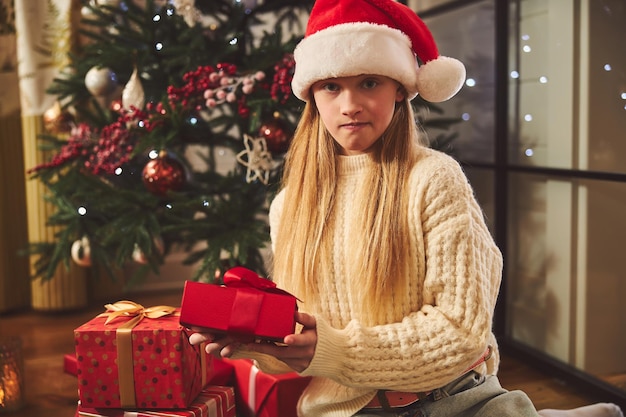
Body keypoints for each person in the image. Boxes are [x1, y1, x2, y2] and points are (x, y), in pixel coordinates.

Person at [189, 0, 624, 416]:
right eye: (331, 86)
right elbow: (303, 343)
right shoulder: (291, 205)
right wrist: (258, 344)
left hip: (450, 402)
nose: (350, 105)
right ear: (312, 96)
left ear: (400, 89)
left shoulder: (435, 179)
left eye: (369, 82)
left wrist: (334, 350)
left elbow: (459, 331)